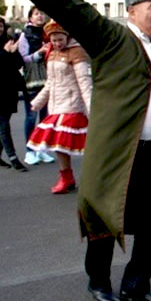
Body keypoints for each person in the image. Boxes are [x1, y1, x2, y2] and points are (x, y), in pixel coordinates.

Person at [6, 0, 151, 301]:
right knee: (103, 217)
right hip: (117, 152)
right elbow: (76, 11)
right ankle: (98, 282)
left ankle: (137, 284)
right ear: (131, 10)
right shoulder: (111, 39)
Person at [26, 21, 92, 194]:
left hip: (72, 105)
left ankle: (96, 179)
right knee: (58, 145)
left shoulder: (77, 52)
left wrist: (92, 109)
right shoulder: (52, 53)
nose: (57, 43)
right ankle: (66, 177)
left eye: (60, 39)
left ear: (67, 36)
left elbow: (85, 82)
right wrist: (38, 102)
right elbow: (50, 82)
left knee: (82, 144)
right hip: (55, 105)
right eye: (53, 40)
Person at [17, 6, 55, 165]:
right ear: (30, 17)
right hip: (32, 81)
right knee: (31, 116)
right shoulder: (26, 35)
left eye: (42, 13)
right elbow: (23, 58)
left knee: (45, 117)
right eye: (37, 14)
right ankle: (30, 150)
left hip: (49, 79)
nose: (40, 16)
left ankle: (42, 149)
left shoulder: (49, 32)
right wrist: (39, 52)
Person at [0, 15, 28, 171]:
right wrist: (5, 53)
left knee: (3, 122)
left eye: (0, 26)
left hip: (9, 89)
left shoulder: (7, 41)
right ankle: (13, 158)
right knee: (3, 124)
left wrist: (13, 52)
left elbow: (19, 63)